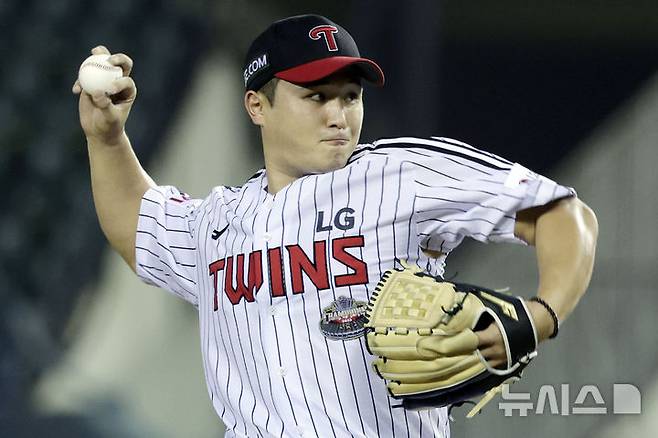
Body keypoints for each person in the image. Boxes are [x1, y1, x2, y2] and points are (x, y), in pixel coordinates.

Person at [73, 14, 598, 438]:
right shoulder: (219, 221)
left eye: (350, 95)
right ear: (257, 106)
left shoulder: (400, 173)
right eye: (316, 96)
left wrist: (542, 313)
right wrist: (106, 138)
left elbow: (562, 215)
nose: (339, 115)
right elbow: (137, 223)